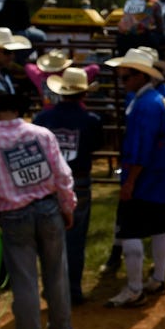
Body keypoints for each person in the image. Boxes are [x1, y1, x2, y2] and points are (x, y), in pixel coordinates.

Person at [0, 90, 76, 329]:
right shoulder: (42, 134)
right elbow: (62, 174)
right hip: (48, 208)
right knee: (57, 275)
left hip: (13, 215)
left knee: (25, 282)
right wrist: (67, 206)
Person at [99, 47, 165, 278]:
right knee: (159, 226)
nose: (122, 82)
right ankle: (158, 278)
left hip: (146, 175)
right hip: (158, 171)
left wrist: (130, 181)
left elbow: (141, 146)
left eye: (126, 77)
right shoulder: (154, 100)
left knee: (131, 229)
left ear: (141, 76)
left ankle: (135, 287)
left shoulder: (146, 105)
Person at [33, 67, 104, 306]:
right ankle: (72, 289)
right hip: (79, 180)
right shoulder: (91, 120)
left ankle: (51, 288)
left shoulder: (43, 119)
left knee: (48, 238)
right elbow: (95, 146)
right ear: (83, 94)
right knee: (75, 239)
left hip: (48, 183)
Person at [25, 49, 101, 111]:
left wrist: (42, 70)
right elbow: (95, 68)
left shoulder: (40, 76)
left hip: (50, 113)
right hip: (75, 111)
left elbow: (28, 67)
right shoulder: (71, 75)